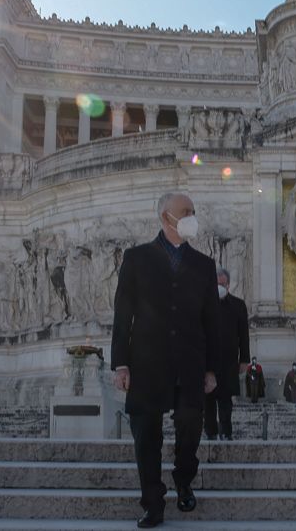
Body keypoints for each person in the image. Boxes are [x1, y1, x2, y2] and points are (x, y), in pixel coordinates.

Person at [111, 192, 221, 529]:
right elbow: (123, 314)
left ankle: (183, 478)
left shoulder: (204, 264)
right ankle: (152, 502)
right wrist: (121, 363)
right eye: (185, 212)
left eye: (193, 211)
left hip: (189, 363)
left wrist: (213, 367)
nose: (191, 217)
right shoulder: (136, 258)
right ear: (165, 218)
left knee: (191, 428)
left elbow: (212, 320)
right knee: (146, 435)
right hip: (146, 362)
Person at [205, 268, 249, 441]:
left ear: (228, 285)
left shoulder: (238, 305)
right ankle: (210, 431)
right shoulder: (204, 304)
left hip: (229, 360)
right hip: (208, 360)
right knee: (207, 400)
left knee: (225, 399)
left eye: (222, 284)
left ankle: (226, 431)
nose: (219, 287)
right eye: (216, 284)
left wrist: (244, 359)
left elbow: (244, 335)